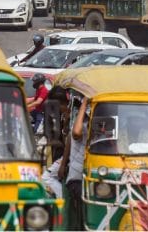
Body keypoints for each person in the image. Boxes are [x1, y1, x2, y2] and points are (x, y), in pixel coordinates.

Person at [59, 96, 89, 230]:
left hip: (90, 178)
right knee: (84, 217)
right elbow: (75, 134)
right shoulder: (81, 127)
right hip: (77, 179)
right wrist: (84, 104)